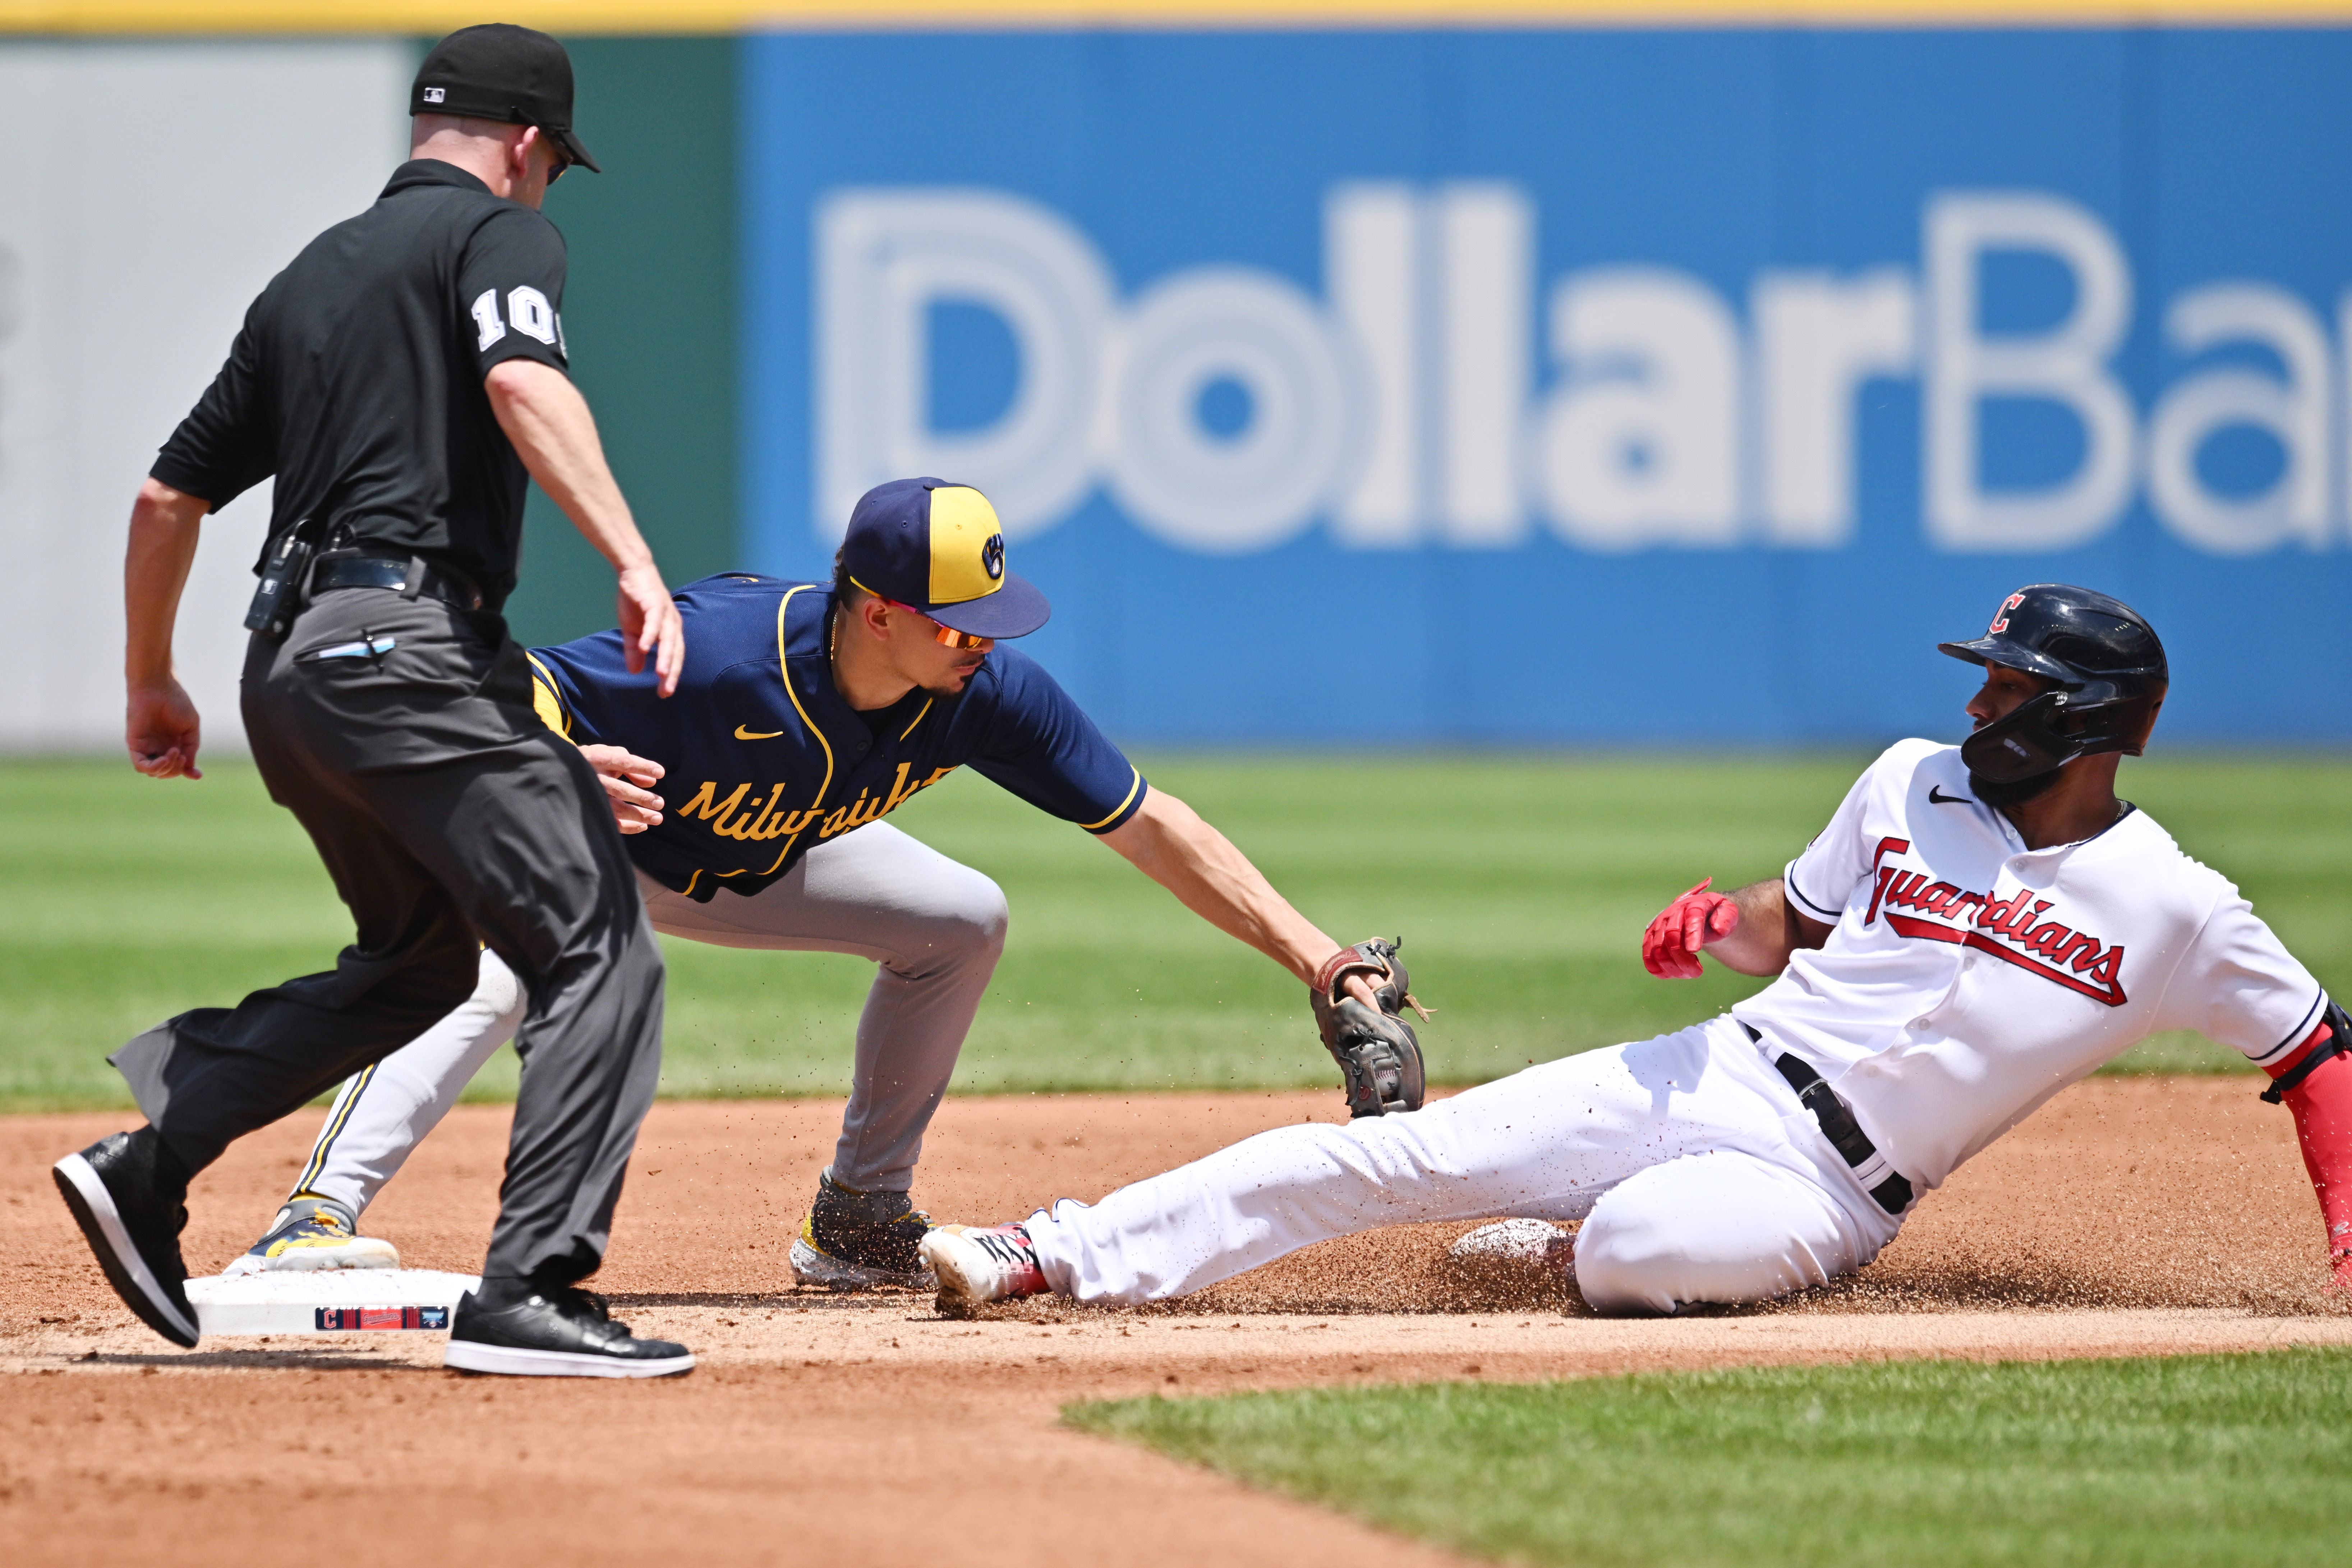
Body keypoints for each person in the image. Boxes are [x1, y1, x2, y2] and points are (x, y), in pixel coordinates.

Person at [917, 584, 2352, 1315]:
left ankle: (1566, 1238)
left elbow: (2313, 1053)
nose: (1979, 707)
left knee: (1629, 1255)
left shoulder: (2172, 906)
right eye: (1983, 680)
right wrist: (1715, 927)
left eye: (2007, 686)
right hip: (1709, 1068)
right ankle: (1050, 1248)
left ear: (2082, 717)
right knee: (1391, 1157)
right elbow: (1782, 925)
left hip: (1832, 1188)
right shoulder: (1908, 777)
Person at [225, 475, 1415, 1292]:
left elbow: (1155, 827)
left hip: (750, 859)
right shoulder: (725, 652)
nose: (983, 642)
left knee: (960, 918)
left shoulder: (980, 696)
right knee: (498, 960)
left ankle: (856, 1216)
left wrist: (1319, 955)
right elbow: (514, 679)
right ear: (881, 609)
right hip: (600, 849)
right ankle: (309, 1220)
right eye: (957, 624)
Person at [51, 26, 698, 1378]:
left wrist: (148, 678)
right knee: (596, 941)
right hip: (409, 647)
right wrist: (635, 555)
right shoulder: (499, 238)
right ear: (528, 146)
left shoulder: (309, 277)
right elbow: (524, 380)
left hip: (288, 667)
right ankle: (533, 1290)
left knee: (421, 962)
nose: (547, 190)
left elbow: (168, 496)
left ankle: (149, 1163)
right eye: (551, 167)